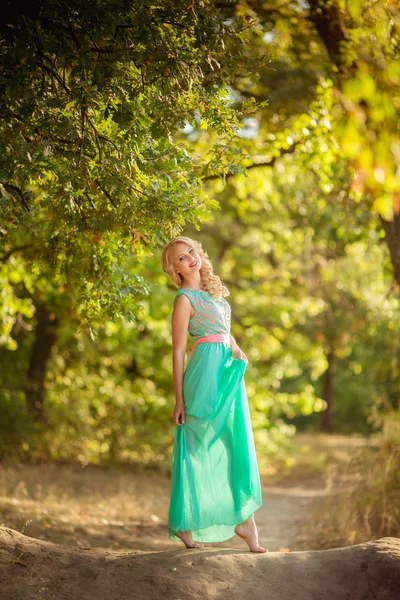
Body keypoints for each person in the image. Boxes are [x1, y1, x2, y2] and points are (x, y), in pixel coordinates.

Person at [161, 235, 267, 553]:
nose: (190, 258)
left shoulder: (214, 293)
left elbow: (223, 329)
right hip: (204, 372)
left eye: (191, 251)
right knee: (195, 444)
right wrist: (179, 399)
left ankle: (244, 520)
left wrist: (236, 347)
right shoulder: (184, 299)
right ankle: (185, 521)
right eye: (181, 257)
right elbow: (178, 352)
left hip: (226, 371)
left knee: (236, 440)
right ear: (175, 269)